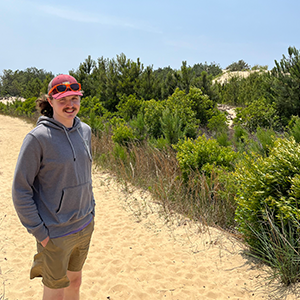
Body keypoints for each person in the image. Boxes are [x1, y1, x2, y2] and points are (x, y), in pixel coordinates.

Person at [12, 74, 95, 300]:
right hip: (55, 234)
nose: (70, 105)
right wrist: (41, 232)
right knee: (54, 293)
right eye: (62, 100)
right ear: (50, 101)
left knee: (75, 283)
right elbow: (20, 190)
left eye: (74, 99)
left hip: (84, 226)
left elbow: (85, 176)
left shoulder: (85, 131)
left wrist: (91, 210)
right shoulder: (37, 138)